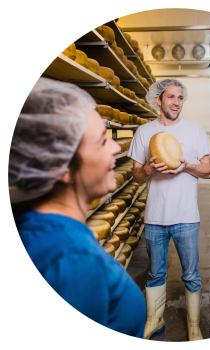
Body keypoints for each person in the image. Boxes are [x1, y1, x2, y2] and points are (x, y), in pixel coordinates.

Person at [9, 78, 146, 337]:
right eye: (103, 141)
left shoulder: (34, 225)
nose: (117, 147)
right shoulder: (72, 259)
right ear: (58, 167)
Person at [127, 79, 210, 341]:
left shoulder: (195, 130)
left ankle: (194, 325)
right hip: (155, 216)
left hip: (187, 216)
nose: (176, 103)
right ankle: (155, 320)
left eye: (180, 98)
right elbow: (137, 176)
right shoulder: (144, 132)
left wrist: (186, 166)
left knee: (191, 273)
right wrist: (149, 169)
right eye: (171, 97)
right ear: (158, 100)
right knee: (155, 273)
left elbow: (209, 171)